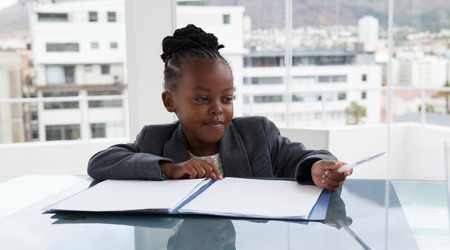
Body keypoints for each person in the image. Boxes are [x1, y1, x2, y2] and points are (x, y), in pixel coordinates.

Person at [87, 24, 351, 192]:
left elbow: (309, 156)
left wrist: (318, 167)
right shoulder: (154, 141)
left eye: (227, 98)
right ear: (170, 102)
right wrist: (169, 168)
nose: (218, 109)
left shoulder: (257, 134)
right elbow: (99, 163)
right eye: (202, 99)